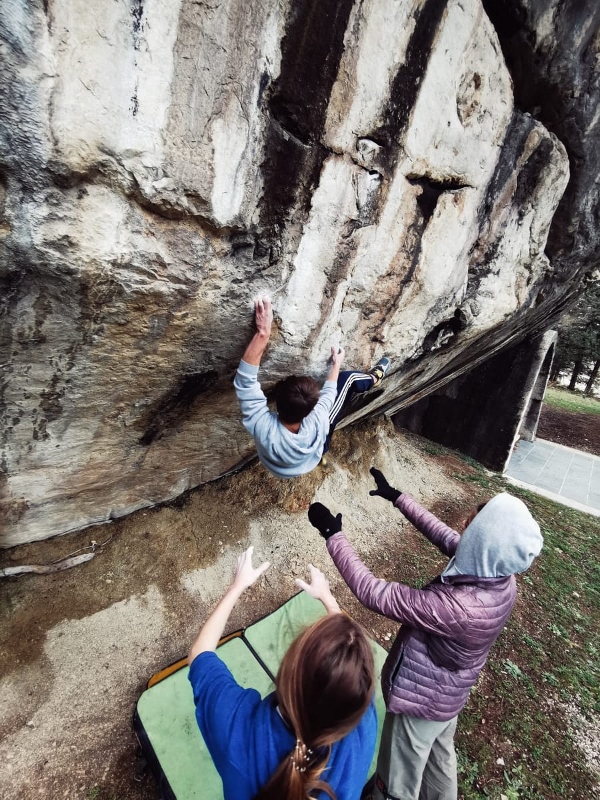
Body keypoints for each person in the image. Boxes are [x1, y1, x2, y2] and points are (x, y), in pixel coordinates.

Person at [307, 468, 544, 800]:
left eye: (472, 526)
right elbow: (445, 536)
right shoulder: (498, 575)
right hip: (449, 692)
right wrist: (398, 498)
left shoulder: (461, 608)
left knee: (395, 781)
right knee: (439, 759)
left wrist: (334, 535)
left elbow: (375, 593)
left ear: (484, 543)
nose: (464, 525)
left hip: (421, 699)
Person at [187, 547, 378, 800]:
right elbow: (350, 668)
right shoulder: (362, 725)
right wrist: (328, 600)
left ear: (288, 670)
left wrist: (237, 586)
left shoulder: (238, 729)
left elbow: (200, 653)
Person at [234, 297, 391, 477]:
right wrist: (336, 364)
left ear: (276, 403)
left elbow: (245, 381)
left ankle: (317, 461)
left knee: (346, 383)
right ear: (310, 410)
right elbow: (330, 391)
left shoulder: (264, 428)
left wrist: (263, 333)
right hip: (313, 448)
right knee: (348, 379)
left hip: (283, 466)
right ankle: (373, 378)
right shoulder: (318, 419)